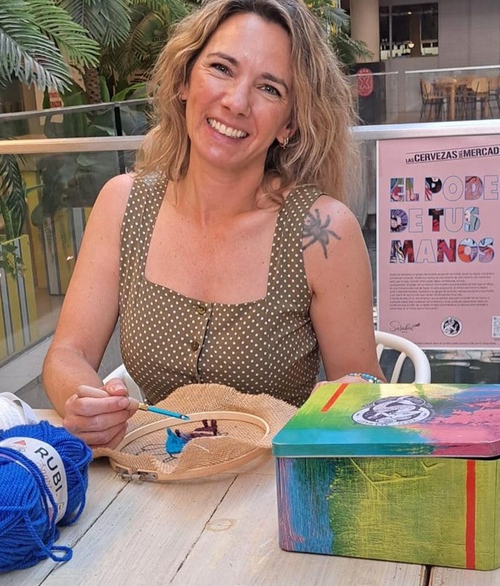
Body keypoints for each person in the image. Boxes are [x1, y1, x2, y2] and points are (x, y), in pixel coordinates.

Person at [42, 0, 385, 449]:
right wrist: (84, 403)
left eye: (269, 89)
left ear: (290, 124)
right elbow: (68, 353)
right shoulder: (122, 205)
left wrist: (351, 396)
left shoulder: (321, 231)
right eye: (222, 68)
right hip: (151, 477)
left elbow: (363, 391)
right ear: (185, 80)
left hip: (271, 486)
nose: (236, 102)